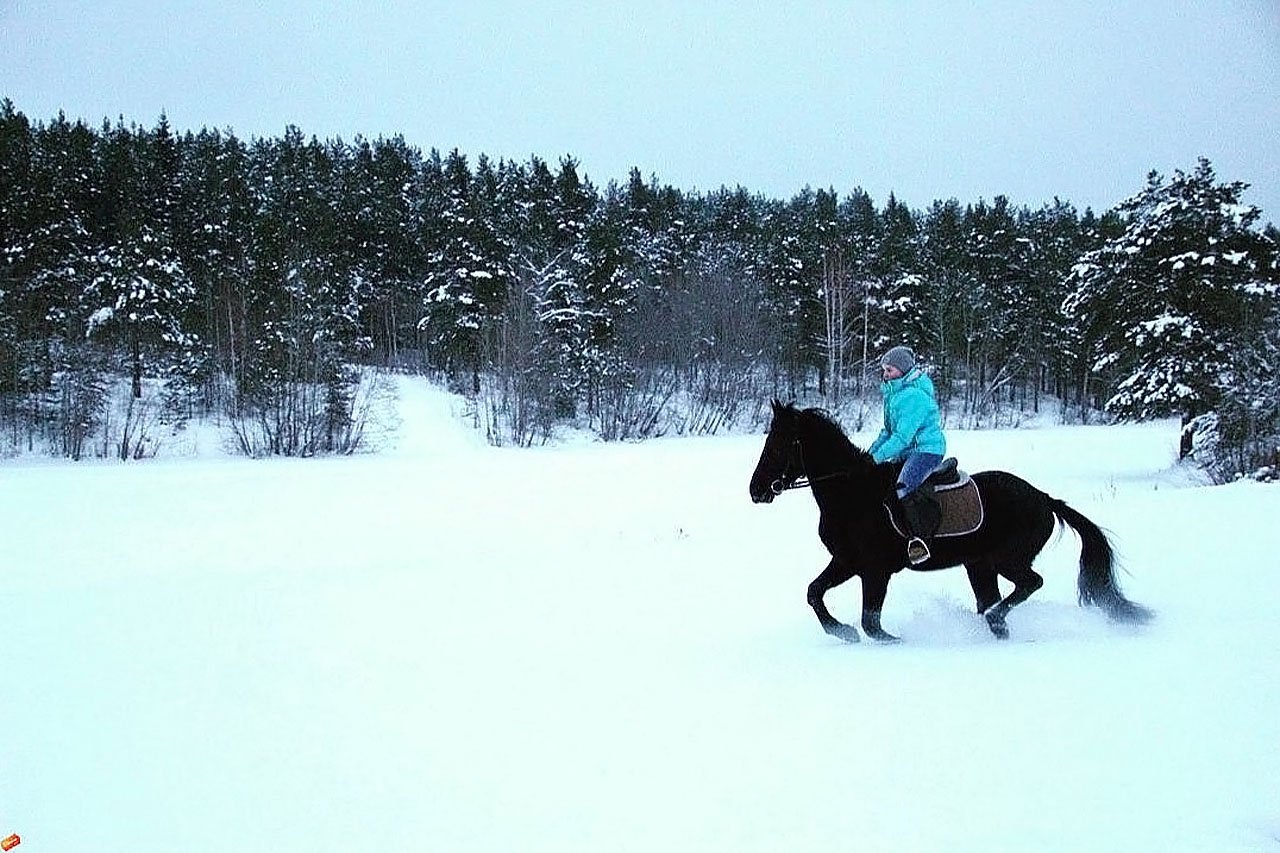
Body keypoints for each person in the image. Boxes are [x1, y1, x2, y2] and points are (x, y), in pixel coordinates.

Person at [868, 345, 946, 564]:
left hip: (927, 450)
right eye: (884, 370)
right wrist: (868, 456)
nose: (885, 374)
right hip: (908, 451)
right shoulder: (893, 395)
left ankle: (919, 541)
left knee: (904, 485)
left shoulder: (914, 396)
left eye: (890, 370)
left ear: (903, 370)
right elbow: (888, 432)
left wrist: (876, 458)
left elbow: (902, 437)